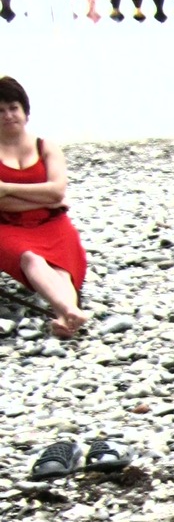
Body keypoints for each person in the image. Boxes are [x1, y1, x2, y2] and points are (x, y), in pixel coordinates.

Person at [0, 75, 88, 335]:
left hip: (52, 222)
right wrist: (47, 198)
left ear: (25, 112)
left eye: (13, 108)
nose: (8, 115)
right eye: (0, 111)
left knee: (62, 269)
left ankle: (65, 316)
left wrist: (7, 189)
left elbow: (57, 190)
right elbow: (53, 196)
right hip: (7, 226)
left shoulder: (45, 146)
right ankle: (68, 310)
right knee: (31, 258)